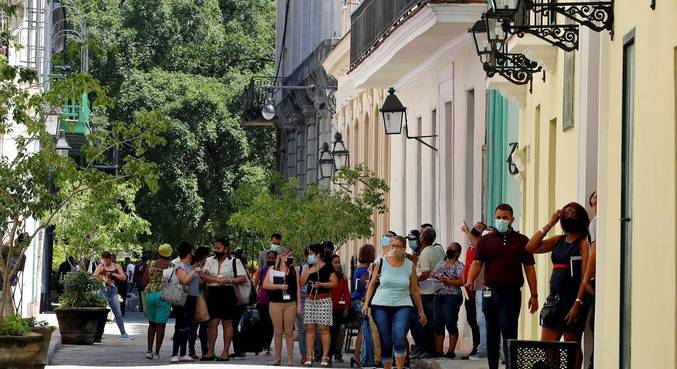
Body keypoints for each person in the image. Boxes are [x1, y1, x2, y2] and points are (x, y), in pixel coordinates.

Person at [465, 204, 539, 369]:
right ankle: (493, 366)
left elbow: (529, 268)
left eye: (505, 217)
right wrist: (470, 279)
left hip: (511, 294)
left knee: (509, 330)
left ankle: (510, 365)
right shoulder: (485, 240)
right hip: (490, 293)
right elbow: (477, 262)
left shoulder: (522, 241)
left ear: (512, 219)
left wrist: (534, 295)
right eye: (498, 217)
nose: (501, 220)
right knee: (492, 333)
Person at [526, 202, 591, 369]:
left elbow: (585, 276)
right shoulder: (558, 240)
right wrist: (550, 224)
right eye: (566, 212)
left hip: (573, 300)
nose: (569, 215)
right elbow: (531, 247)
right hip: (554, 300)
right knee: (547, 346)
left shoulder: (583, 243)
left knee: (572, 347)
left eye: (573, 213)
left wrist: (578, 303)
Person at [363, 236, 427, 369]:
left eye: (398, 246)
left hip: (403, 305)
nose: (395, 249)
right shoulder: (381, 262)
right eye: (392, 246)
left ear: (404, 248)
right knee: (386, 340)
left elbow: (414, 290)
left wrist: (421, 310)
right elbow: (372, 283)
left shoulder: (410, 265)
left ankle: (399, 367)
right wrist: (366, 303)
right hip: (380, 305)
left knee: (399, 338)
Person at [201, 238, 247, 361]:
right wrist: (216, 280)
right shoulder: (209, 260)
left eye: (218, 248)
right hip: (213, 293)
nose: (216, 250)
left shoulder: (234, 261)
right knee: (212, 323)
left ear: (226, 249)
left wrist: (228, 280)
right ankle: (210, 352)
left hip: (228, 292)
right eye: (215, 247)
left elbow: (242, 278)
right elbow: (203, 276)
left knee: (228, 323)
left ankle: (225, 352)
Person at [300, 243, 339, 367]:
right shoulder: (309, 267)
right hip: (310, 300)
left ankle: (325, 357)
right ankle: (309, 356)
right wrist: (308, 271)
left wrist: (321, 284)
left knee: (324, 328)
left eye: (311, 253)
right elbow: (301, 283)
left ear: (318, 254)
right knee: (310, 328)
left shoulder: (328, 267)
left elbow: (334, 283)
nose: (309, 256)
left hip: (323, 300)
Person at [263, 246, 301, 366]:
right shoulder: (272, 269)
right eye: (288, 255)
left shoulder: (294, 270)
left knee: (289, 331)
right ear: (281, 256)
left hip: (290, 303)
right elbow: (265, 285)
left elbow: (298, 289)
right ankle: (277, 359)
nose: (290, 258)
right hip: (275, 303)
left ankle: (290, 359)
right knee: (278, 331)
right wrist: (279, 287)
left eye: (291, 256)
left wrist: (299, 305)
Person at [411, 226, 445, 359]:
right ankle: (431, 348)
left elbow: (424, 273)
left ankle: (427, 349)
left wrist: (414, 281)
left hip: (425, 291)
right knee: (432, 320)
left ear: (423, 238)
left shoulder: (425, 252)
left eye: (421, 234)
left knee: (425, 321)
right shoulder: (438, 250)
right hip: (435, 290)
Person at [169, 241, 202, 363]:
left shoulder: (189, 266)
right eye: (192, 251)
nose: (194, 253)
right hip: (183, 299)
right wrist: (194, 271)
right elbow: (184, 280)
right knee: (180, 327)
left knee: (187, 326)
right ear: (189, 253)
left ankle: (183, 353)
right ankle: (174, 354)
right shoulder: (180, 266)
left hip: (191, 298)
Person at [431, 242, 465, 358]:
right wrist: (435, 277)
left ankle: (451, 351)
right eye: (448, 248)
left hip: (452, 296)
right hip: (438, 295)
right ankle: (439, 350)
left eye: (452, 248)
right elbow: (433, 274)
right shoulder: (441, 263)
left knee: (450, 322)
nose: (449, 250)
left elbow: (462, 281)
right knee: (437, 323)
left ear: (457, 253)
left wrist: (448, 281)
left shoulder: (459, 265)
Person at [460, 222, 488, 360]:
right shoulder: (470, 248)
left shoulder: (482, 246)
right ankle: (477, 346)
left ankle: (483, 348)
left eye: (479, 227)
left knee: (482, 319)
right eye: (474, 226)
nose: (475, 228)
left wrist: (466, 231)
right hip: (469, 289)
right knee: (473, 320)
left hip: (482, 288)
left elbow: (479, 247)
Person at [142, 244, 173, 359]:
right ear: (169, 254)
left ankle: (149, 350)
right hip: (164, 295)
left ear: (159, 253)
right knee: (161, 326)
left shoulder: (151, 264)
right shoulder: (172, 266)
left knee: (151, 324)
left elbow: (144, 281)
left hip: (150, 295)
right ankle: (157, 353)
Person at [93, 251, 133, 340]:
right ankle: (98, 333)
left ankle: (123, 333)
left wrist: (113, 274)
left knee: (118, 313)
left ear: (110, 259)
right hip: (102, 290)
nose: (105, 262)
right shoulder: (101, 266)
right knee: (100, 313)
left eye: (107, 260)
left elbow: (124, 277)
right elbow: (95, 276)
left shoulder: (116, 266)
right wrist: (104, 279)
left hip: (113, 292)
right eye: (104, 260)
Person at [350, 244, 376, 367]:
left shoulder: (357, 269)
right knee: (367, 329)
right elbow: (366, 287)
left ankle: (356, 356)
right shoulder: (366, 271)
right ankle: (366, 358)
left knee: (362, 329)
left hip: (355, 300)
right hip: (362, 301)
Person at [583, 191, 597, 369]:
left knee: (595, 324)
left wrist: (586, 278)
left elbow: (595, 251)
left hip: (594, 279)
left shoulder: (596, 223)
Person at [189, 246, 211, 360]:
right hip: (197, 298)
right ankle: (192, 350)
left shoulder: (201, 266)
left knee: (203, 326)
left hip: (203, 298)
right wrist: (208, 278)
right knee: (196, 325)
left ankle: (204, 350)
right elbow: (198, 282)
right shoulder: (196, 267)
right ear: (204, 256)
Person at [329, 255, 351, 363]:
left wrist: (346, 307)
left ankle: (338, 353)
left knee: (340, 331)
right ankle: (327, 354)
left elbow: (347, 293)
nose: (337, 264)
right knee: (330, 331)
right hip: (328, 307)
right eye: (335, 262)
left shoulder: (343, 277)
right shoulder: (327, 276)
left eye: (338, 262)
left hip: (340, 308)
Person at [257, 250, 277, 357]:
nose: (270, 260)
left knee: (270, 324)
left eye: (273, 258)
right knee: (264, 323)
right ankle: (264, 345)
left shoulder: (278, 270)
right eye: (269, 258)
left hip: (273, 300)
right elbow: (263, 284)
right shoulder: (264, 270)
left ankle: (267, 345)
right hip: (262, 299)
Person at [297, 247, 310, 364]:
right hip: (303, 298)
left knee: (316, 329)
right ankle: (304, 354)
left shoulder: (320, 267)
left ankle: (315, 352)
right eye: (309, 254)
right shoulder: (300, 268)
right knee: (303, 328)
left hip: (315, 298)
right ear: (305, 256)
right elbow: (299, 284)